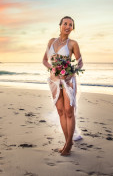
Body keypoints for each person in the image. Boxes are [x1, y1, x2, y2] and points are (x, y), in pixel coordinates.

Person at [42, 16, 84, 156]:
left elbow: (80, 63)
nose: (67, 26)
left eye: (70, 25)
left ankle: (68, 144)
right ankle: (68, 141)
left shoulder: (73, 44)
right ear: (60, 25)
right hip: (54, 81)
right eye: (65, 23)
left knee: (69, 112)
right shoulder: (51, 41)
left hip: (68, 80)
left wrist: (71, 73)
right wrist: (53, 69)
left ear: (73, 28)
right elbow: (45, 60)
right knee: (60, 111)